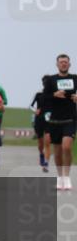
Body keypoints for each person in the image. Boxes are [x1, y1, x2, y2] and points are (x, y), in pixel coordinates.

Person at [42, 54, 77, 191]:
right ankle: (60, 177)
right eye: (61, 62)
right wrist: (54, 95)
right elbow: (44, 98)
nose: (63, 64)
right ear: (57, 64)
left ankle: (67, 176)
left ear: (69, 64)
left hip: (70, 119)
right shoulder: (51, 80)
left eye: (65, 62)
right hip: (55, 120)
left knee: (66, 147)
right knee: (57, 152)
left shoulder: (75, 79)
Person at [31, 90, 50, 173]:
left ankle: (46, 162)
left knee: (48, 141)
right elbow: (31, 106)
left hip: (49, 120)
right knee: (40, 143)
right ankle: (41, 154)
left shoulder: (53, 95)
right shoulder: (38, 94)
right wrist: (35, 110)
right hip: (39, 120)